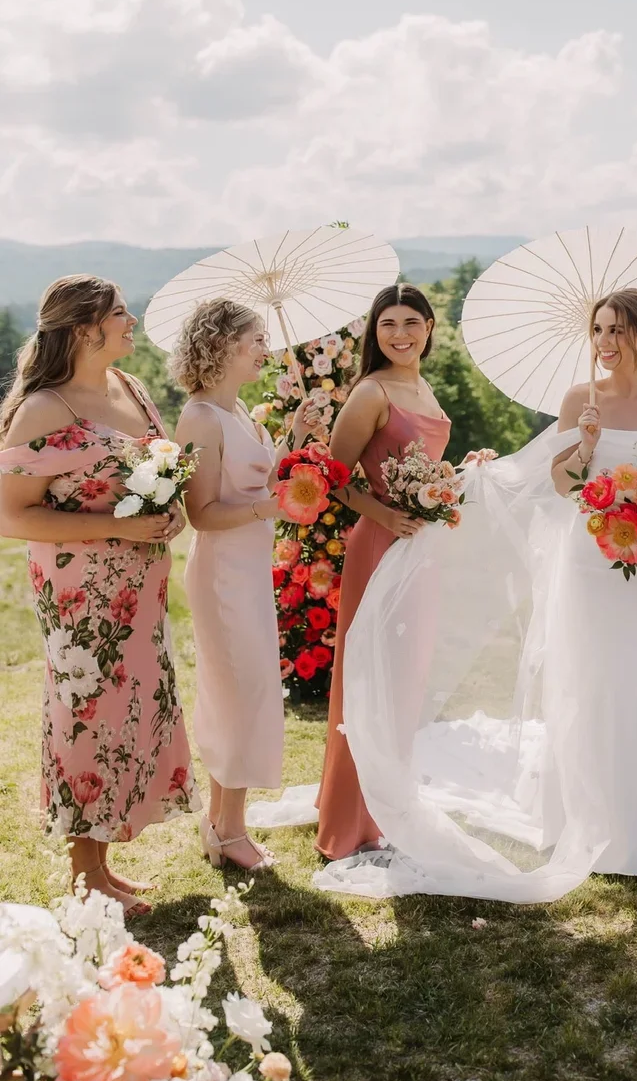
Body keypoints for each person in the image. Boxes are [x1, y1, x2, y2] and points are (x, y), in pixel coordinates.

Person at [253, 286, 637, 899]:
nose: (605, 343)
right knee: (593, 677)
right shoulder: (581, 400)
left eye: (617, 331)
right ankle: (589, 815)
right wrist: (582, 448)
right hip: (590, 555)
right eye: (599, 331)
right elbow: (560, 484)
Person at [0, 276, 197, 917]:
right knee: (89, 712)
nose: (131, 318)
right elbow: (13, 515)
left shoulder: (131, 389)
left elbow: (154, 476)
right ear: (84, 328)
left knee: (131, 712)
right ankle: (84, 877)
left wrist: (170, 516)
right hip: (81, 595)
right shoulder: (45, 408)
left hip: (141, 587)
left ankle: (104, 865)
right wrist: (120, 526)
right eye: (119, 313)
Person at [173, 299, 325, 871]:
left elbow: (260, 478)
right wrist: (270, 507)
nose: (265, 349)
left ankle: (221, 825)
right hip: (221, 573)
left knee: (246, 691)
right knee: (241, 691)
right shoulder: (200, 417)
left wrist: (295, 434)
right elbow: (204, 514)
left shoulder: (242, 414)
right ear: (221, 346)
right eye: (254, 340)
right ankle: (230, 830)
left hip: (249, 569)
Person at [310, 283, 450, 862]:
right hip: (378, 546)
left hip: (420, 551)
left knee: (404, 679)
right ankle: (348, 821)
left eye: (411, 322)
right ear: (375, 333)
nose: (400, 334)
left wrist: (461, 472)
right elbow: (333, 474)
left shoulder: (422, 385)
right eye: (388, 324)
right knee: (368, 679)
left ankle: (386, 805)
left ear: (429, 327)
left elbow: (426, 464)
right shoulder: (369, 393)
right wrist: (385, 512)